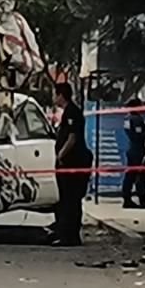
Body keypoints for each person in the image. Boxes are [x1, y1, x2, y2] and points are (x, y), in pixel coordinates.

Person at [51, 82, 93, 247]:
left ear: (61, 95)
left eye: (56, 94)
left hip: (73, 163)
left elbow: (72, 137)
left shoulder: (72, 113)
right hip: (70, 163)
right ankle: (66, 234)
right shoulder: (69, 112)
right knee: (67, 200)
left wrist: (61, 154)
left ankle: (70, 236)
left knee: (70, 200)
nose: (54, 98)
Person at [122, 98, 145, 209]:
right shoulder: (137, 119)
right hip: (138, 149)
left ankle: (126, 197)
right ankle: (142, 199)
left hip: (131, 148)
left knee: (129, 174)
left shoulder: (127, 118)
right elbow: (139, 135)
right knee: (140, 175)